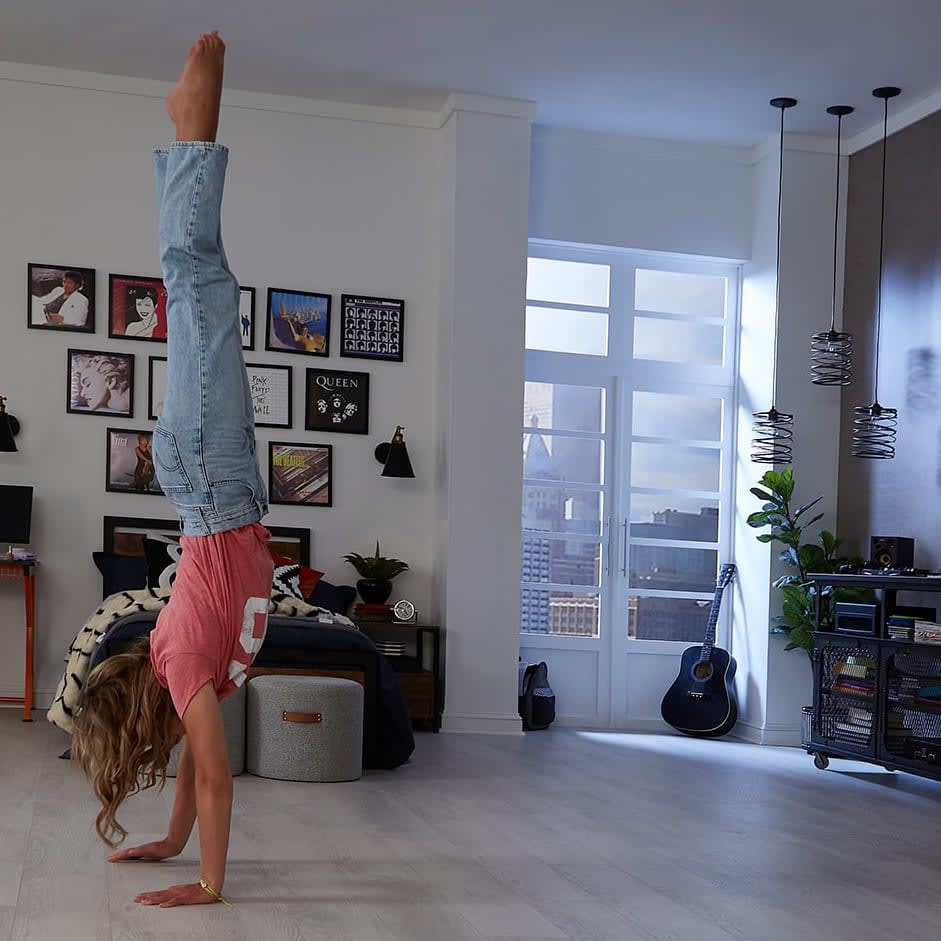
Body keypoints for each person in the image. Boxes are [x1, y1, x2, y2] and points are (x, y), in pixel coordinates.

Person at [71, 32, 274, 909]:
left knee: (197, 285)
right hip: (220, 488)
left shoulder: (187, 658)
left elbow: (217, 779)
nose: (179, 754)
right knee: (196, 289)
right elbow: (203, 776)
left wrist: (207, 885)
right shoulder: (196, 676)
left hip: (210, 484)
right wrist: (174, 843)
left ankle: (195, 124)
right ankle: (186, 129)